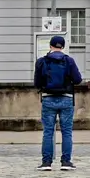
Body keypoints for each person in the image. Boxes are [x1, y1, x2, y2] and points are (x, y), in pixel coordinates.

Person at [33, 35, 82, 171]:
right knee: (67, 132)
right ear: (63, 47)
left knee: (48, 131)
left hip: (48, 99)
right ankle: (66, 162)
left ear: (50, 46)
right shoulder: (69, 61)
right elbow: (78, 80)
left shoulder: (41, 62)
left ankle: (46, 163)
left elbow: (37, 83)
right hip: (66, 99)